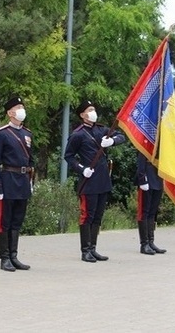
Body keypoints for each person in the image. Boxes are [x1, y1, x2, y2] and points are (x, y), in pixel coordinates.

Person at [64, 100, 125, 263]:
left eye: (93, 109)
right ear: (82, 115)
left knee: (98, 216)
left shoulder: (102, 129)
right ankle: (85, 251)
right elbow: (68, 156)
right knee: (87, 216)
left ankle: (93, 248)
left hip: (102, 179)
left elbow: (121, 136)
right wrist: (81, 168)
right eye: (89, 110)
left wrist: (112, 141)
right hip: (88, 180)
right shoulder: (78, 134)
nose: (93, 112)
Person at [0, 96, 34, 272]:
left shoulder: (27, 134)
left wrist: (31, 181)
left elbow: (31, 160)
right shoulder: (2, 133)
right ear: (10, 113)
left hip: (22, 181)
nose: (21, 110)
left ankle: (14, 256)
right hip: (8, 179)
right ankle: (5, 258)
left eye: (22, 106)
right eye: (18, 107)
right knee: (4, 221)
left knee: (17, 221)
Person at [134, 152, 166, 255]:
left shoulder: (162, 139)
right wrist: (142, 178)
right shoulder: (146, 137)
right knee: (144, 212)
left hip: (157, 177)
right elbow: (141, 158)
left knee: (152, 212)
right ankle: (144, 244)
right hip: (147, 176)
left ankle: (151, 242)